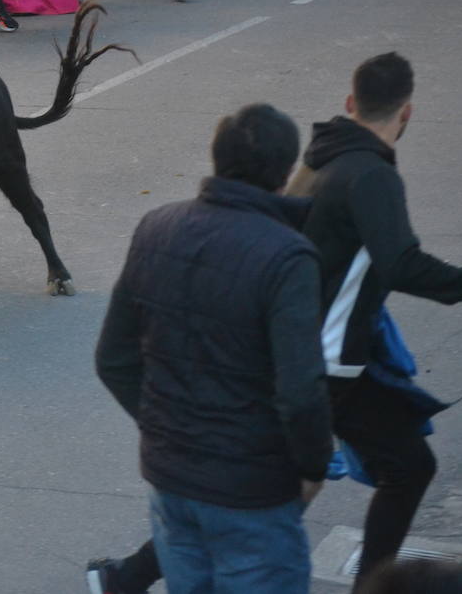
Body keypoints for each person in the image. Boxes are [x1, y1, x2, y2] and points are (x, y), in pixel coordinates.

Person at [94, 103, 331, 594]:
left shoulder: (157, 227)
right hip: (252, 493)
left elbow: (114, 359)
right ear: (286, 174)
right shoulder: (287, 255)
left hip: (172, 482)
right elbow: (301, 391)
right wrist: (312, 466)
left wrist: (167, 427)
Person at [289, 53, 462, 588]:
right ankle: (130, 575)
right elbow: (401, 263)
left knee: (402, 467)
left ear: (351, 103)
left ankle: (130, 576)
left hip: (318, 350)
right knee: (272, 496)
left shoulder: (324, 158)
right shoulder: (370, 175)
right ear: (407, 112)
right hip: (328, 360)